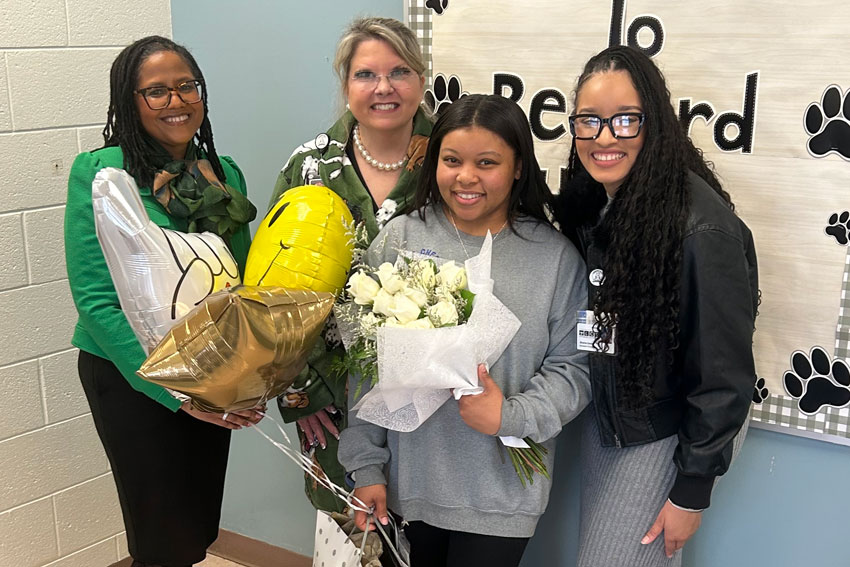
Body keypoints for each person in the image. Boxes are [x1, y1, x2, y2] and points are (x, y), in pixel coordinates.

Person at [338, 94, 591, 567]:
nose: (466, 177)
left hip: (501, 497)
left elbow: (575, 370)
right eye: (451, 160)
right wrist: (366, 466)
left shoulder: (555, 259)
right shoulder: (401, 239)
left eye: (487, 163)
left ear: (518, 168)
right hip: (406, 485)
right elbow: (365, 366)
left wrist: (508, 415)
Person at [554, 45, 758, 567]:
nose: (604, 138)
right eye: (589, 122)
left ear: (655, 123)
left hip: (661, 435)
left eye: (625, 121)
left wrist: (692, 488)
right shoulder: (599, 199)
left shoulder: (700, 227)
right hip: (613, 421)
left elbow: (722, 373)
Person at [64, 36, 261, 567]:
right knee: (159, 534)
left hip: (209, 373)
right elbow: (96, 300)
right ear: (129, 100)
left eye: (186, 86)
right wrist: (177, 393)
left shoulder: (224, 173)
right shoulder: (103, 175)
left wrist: (243, 377)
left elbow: (239, 290)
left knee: (197, 523)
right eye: (156, 91)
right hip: (131, 375)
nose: (176, 101)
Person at [271, 17, 433, 513]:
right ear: (346, 85)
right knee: (354, 529)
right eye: (366, 74)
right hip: (331, 390)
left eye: (399, 71)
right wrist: (299, 394)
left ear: (422, 80)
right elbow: (274, 291)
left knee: (430, 528)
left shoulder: (453, 157)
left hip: (433, 390)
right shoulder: (310, 167)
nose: (383, 87)